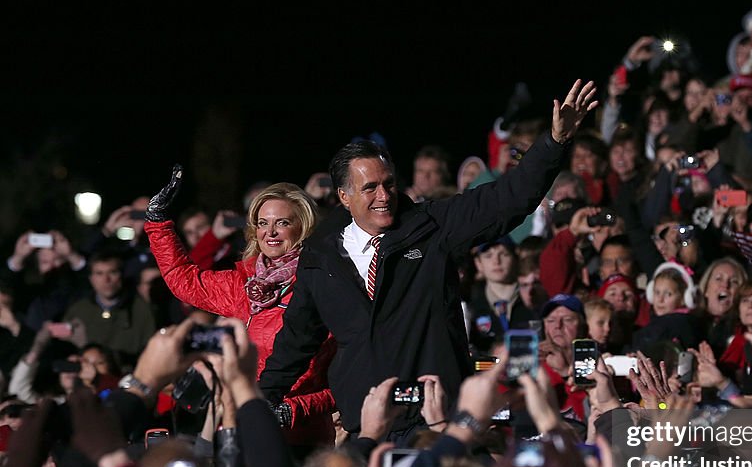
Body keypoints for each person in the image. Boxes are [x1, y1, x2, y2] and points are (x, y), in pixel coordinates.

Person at [259, 80, 598, 436]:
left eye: (388, 183)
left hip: (435, 418)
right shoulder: (321, 255)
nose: (384, 196)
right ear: (344, 196)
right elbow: (297, 338)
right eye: (369, 188)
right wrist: (261, 400)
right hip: (367, 424)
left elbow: (506, 200)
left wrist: (553, 143)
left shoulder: (431, 226)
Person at [143, 176, 336, 445]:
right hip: (247, 427)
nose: (270, 232)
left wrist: (291, 410)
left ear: (303, 227)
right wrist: (158, 222)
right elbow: (183, 281)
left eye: (282, 222)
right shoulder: (243, 284)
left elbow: (346, 380)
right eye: (263, 223)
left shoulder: (326, 284)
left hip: (303, 437)